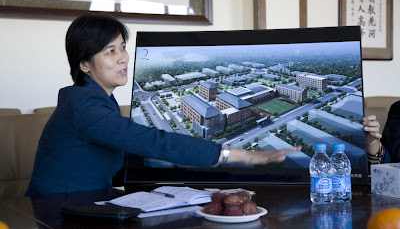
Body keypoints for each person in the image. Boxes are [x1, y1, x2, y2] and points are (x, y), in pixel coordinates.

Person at [25, 14, 300, 196]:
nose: (123, 58)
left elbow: (125, 154)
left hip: (86, 204)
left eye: (122, 47)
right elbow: (150, 140)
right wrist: (243, 156)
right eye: (110, 51)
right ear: (84, 64)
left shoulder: (96, 98)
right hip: (56, 212)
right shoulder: (85, 106)